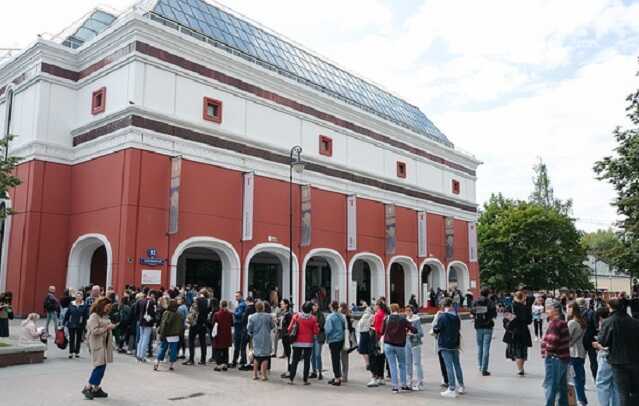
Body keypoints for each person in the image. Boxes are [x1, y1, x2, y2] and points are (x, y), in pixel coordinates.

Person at [598, 298, 639, 406]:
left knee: (622, 392)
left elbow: (603, 341)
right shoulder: (634, 322)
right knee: (635, 391)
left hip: (618, 361)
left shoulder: (609, 321)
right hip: (634, 360)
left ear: (610, 307)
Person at [82, 297, 115, 400]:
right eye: (107, 306)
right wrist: (107, 328)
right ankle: (88, 387)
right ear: (102, 305)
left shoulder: (103, 316)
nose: (108, 309)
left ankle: (96, 388)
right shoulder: (94, 316)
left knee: (102, 366)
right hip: (97, 345)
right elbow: (94, 331)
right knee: (99, 366)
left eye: (109, 307)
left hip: (103, 345)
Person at [434, 298, 465, 398]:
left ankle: (452, 388)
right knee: (457, 365)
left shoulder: (442, 316)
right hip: (455, 343)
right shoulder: (456, 316)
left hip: (444, 343)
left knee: (449, 367)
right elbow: (459, 328)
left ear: (443, 305)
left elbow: (437, 329)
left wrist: (434, 329)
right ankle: (461, 385)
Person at [541, 302, 570, 406]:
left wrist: (545, 350)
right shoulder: (562, 322)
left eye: (548, 309)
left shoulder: (555, 324)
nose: (546, 311)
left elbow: (553, 342)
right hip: (563, 358)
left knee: (551, 385)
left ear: (554, 311)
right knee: (562, 386)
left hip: (555, 358)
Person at [592, 306, 620, 406]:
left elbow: (604, 343)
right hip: (618, 358)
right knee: (615, 385)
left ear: (600, 317)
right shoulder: (618, 321)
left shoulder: (606, 323)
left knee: (602, 383)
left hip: (606, 356)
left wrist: (597, 345)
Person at [287, 301, 319, 385]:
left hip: (297, 342)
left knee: (295, 360)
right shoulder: (313, 318)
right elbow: (316, 331)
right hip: (308, 343)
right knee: (307, 361)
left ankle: (291, 379)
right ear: (310, 310)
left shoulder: (296, 316)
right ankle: (305, 380)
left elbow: (289, 328)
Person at [504, 291, 532, 376]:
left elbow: (506, 320)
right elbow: (529, 321)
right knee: (523, 350)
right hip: (524, 330)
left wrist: (507, 327)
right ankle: (521, 368)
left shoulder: (510, 307)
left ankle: (520, 369)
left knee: (517, 351)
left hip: (514, 331)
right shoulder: (526, 307)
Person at [567, 301, 588, 406]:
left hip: (573, 353)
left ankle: (581, 400)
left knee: (574, 379)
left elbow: (566, 338)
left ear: (572, 309)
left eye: (568, 308)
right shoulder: (582, 321)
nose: (566, 310)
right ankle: (582, 399)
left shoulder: (572, 323)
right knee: (579, 376)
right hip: (581, 352)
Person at [471, 288, 497, 376]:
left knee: (480, 347)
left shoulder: (475, 301)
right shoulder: (490, 302)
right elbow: (494, 314)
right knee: (486, 348)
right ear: (488, 294)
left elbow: (472, 311)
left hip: (478, 326)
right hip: (488, 326)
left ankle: (480, 366)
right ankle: (484, 369)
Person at [247, 300, 275, 381]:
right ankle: (264, 375)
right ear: (263, 307)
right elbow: (272, 326)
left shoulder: (252, 317)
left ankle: (254, 374)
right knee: (265, 358)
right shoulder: (268, 316)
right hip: (266, 338)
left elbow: (249, 328)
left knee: (256, 357)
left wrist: (251, 334)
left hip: (256, 338)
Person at [154, 299, 182, 372]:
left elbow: (163, 325)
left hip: (167, 334)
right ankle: (171, 365)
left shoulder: (166, 313)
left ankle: (157, 363)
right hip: (175, 335)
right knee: (173, 350)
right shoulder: (178, 314)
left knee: (163, 348)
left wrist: (161, 334)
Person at [184, 289, 209, 365]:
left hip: (195, 324)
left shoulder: (196, 300)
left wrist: (189, 321)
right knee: (203, 342)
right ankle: (203, 360)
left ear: (200, 293)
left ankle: (191, 359)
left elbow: (193, 312)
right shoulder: (207, 301)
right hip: (203, 324)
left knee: (191, 341)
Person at [324, 301, 346, 386]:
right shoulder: (340, 316)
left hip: (333, 340)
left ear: (331, 307)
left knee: (335, 359)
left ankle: (337, 378)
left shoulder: (330, 317)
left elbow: (328, 329)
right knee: (337, 358)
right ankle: (338, 376)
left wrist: (326, 336)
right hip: (340, 339)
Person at [578, 297, 599, 382]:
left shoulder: (576, 313)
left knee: (580, 361)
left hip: (580, 339)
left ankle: (581, 381)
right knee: (593, 360)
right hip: (591, 338)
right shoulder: (591, 312)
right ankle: (595, 378)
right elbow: (596, 326)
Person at [405, 305, 424, 390]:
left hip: (415, 344)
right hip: (406, 343)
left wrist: (413, 335)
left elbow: (421, 333)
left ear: (413, 311)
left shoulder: (416, 320)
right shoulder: (405, 319)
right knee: (408, 363)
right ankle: (409, 381)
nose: (408, 312)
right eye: (406, 310)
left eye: (409, 310)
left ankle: (419, 382)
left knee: (417, 363)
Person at [64, 291, 88, 359]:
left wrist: (85, 324)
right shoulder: (71, 304)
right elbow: (67, 314)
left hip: (80, 324)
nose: (78, 297)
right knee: (71, 338)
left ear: (82, 297)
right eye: (77, 296)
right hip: (71, 323)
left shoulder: (84, 305)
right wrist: (64, 322)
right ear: (75, 297)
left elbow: (86, 315)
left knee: (78, 338)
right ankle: (71, 352)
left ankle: (77, 352)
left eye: (79, 296)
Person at [212, 300, 233, 371]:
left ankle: (219, 365)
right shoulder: (230, 314)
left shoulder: (216, 314)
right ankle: (225, 364)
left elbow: (213, 323)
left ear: (220, 305)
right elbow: (232, 323)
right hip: (227, 334)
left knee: (218, 349)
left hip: (219, 334)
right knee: (225, 349)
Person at [135, 291, 156, 362]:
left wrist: (139, 319)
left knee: (141, 338)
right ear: (151, 295)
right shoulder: (152, 302)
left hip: (141, 321)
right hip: (148, 322)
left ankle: (138, 355)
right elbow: (153, 314)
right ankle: (142, 356)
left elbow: (136, 312)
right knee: (145, 339)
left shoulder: (140, 301)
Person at [339, 302, 355, 383]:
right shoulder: (348, 316)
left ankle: (343, 376)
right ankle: (344, 375)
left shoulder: (343, 317)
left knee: (342, 358)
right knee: (344, 358)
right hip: (347, 339)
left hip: (343, 339)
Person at [310, 301, 326, 380]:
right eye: (314, 306)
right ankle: (314, 371)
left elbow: (321, 325)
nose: (315, 307)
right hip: (311, 337)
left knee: (317, 355)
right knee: (312, 356)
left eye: (316, 306)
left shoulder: (321, 315)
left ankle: (320, 372)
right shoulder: (310, 314)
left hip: (318, 337)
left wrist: (315, 326)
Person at [231, 291, 247, 368]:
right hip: (240, 326)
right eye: (235, 296)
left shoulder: (241, 305)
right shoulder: (242, 304)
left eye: (237, 296)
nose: (236, 298)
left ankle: (236, 361)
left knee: (238, 344)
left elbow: (238, 314)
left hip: (239, 326)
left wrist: (232, 312)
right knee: (240, 345)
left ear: (241, 296)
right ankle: (241, 360)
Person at [357, 303, 373, 376]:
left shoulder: (365, 316)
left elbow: (360, 325)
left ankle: (367, 363)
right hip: (368, 333)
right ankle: (369, 363)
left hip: (364, 333)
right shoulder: (372, 316)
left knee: (363, 350)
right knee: (367, 349)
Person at [278, 299, 293, 365]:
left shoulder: (288, 314)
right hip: (283, 334)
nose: (281, 305)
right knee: (287, 352)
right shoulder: (283, 312)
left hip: (287, 335)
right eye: (281, 304)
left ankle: (290, 368)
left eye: (282, 304)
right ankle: (289, 368)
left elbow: (290, 325)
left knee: (289, 352)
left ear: (286, 305)